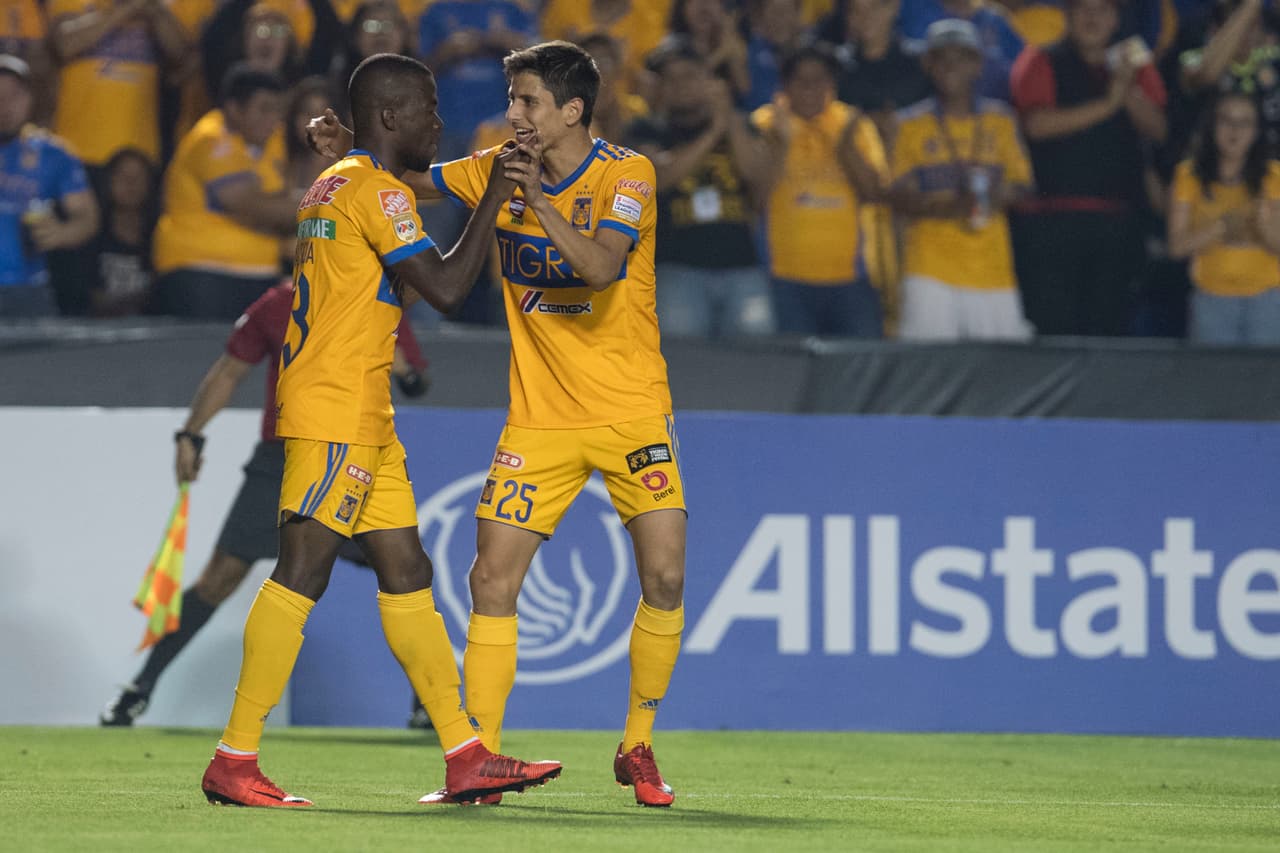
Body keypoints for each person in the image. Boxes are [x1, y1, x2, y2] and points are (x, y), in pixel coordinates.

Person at [309, 39, 687, 807]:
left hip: (631, 409)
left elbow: (601, 267)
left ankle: (637, 743)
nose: (511, 114)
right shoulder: (492, 165)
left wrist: (537, 198)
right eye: (512, 100)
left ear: (571, 110)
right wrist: (349, 150)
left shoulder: (627, 174)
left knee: (666, 576)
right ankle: (477, 756)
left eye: (527, 103)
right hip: (539, 420)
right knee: (490, 579)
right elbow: (410, 176)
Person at [199, 52, 560, 809]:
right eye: (430, 110)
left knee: (407, 570)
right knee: (303, 568)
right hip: (337, 409)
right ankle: (234, 757)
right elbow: (451, 289)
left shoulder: (336, 182)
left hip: (362, 412)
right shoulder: (377, 192)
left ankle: (465, 754)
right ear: (393, 117)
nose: (440, 122)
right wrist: (494, 192)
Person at [99, 281, 429, 727]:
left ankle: (430, 702)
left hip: (355, 454)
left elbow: (415, 383)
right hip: (283, 456)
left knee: (402, 572)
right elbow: (229, 371)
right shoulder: (280, 302)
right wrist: (191, 433)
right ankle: (139, 689)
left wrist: (403, 367)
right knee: (218, 580)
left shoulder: (378, 296)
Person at [1009, 0, 1167, 336]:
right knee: (1055, 330)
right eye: (1084, 9)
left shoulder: (1133, 64)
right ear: (1067, 15)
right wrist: (1108, 104)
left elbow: (1159, 129)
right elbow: (1036, 125)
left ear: (1116, 19)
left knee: (1109, 329)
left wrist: (1126, 91)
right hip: (1052, 222)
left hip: (1118, 221)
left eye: (1103, 10)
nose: (1093, 18)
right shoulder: (1041, 59)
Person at [889, 19, 1034, 340]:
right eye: (942, 58)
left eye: (961, 58)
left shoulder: (1000, 120)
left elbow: (1023, 185)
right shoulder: (910, 124)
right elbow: (900, 196)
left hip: (992, 271)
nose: (951, 67)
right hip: (930, 271)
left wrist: (985, 200)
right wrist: (956, 204)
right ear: (929, 65)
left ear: (977, 65)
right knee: (927, 373)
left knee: (998, 374)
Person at [627, 37, 775, 339]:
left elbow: (757, 178)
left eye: (690, 75)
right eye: (670, 79)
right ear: (660, 89)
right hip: (677, 268)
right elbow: (658, 178)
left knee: (757, 356)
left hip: (742, 266)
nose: (680, 84)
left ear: (710, 81)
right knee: (683, 357)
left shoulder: (740, 126)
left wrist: (729, 120)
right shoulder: (645, 129)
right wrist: (712, 133)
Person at [751, 42, 888, 336]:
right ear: (784, 86)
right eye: (801, 80)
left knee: (859, 368)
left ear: (833, 84)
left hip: (851, 277)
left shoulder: (852, 123)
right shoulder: (765, 123)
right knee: (794, 374)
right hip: (784, 277)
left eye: (820, 80)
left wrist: (847, 147)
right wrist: (781, 145)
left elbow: (875, 193)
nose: (811, 88)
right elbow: (754, 199)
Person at [152, 65, 297, 320]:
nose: (272, 120)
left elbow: (282, 203)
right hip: (203, 274)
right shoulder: (211, 139)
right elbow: (251, 206)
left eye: (277, 110)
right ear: (233, 108)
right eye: (263, 109)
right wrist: (325, 206)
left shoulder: (272, 141)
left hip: (260, 276)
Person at [1168, 90, 1280, 344]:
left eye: (1244, 123)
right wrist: (1222, 228)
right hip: (1211, 298)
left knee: (1263, 381)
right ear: (1212, 125)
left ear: (1256, 131)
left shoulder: (1275, 177)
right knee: (1213, 381)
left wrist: (1261, 225)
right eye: (1226, 120)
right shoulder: (1188, 175)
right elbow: (1176, 247)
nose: (1235, 130)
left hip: (1267, 299)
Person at [0, 54, 98, 317]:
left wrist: (61, 233)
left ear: (30, 99)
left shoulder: (53, 154)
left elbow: (87, 218)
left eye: (15, 96)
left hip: (27, 289)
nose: (5, 106)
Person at [47, 0, 187, 173]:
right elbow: (65, 43)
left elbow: (181, 54)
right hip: (77, 148)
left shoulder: (155, 7)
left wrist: (156, 12)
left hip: (139, 153)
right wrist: (129, 8)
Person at [85, 147, 159, 317]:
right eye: (122, 175)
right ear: (108, 181)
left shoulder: (160, 237)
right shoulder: (90, 235)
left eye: (139, 177)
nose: (130, 183)